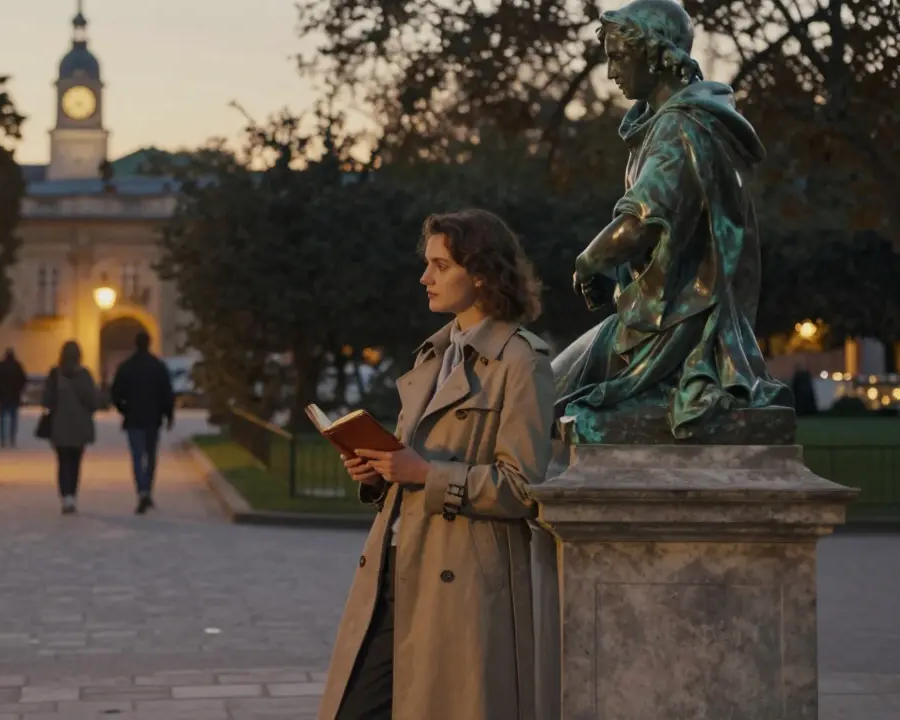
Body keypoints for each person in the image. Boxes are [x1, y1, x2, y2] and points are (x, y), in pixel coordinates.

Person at [317, 209, 555, 720]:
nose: (425, 277)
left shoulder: (522, 363)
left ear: (482, 273)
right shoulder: (431, 356)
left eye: (440, 265)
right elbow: (412, 462)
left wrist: (425, 474)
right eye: (427, 264)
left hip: (460, 585)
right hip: (392, 564)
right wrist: (380, 472)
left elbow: (525, 487)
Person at [553, 0, 790, 441]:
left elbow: (640, 224)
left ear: (658, 57)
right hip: (673, 317)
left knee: (545, 396)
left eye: (619, 57)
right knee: (549, 395)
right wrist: (615, 268)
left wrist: (588, 261)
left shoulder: (679, 127)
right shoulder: (680, 124)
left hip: (680, 327)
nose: (611, 73)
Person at [109, 330, 175, 514]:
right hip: (153, 418)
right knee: (151, 456)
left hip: (134, 418)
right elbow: (167, 393)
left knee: (137, 457)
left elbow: (115, 393)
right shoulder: (158, 366)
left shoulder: (126, 367)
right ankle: (148, 490)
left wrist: (124, 409)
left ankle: (142, 491)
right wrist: (169, 415)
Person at [43, 341, 98, 514]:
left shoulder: (55, 374)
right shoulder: (84, 375)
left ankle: (65, 496)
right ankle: (72, 495)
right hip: (80, 427)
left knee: (63, 461)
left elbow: (46, 400)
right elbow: (93, 401)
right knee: (75, 462)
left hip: (59, 426)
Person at [0, 349, 28, 448]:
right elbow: (23, 379)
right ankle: (12, 439)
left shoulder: (0, 366)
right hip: (14, 396)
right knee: (13, 419)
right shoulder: (17, 366)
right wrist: (19, 390)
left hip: (3, 396)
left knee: (2, 419)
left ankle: (2, 440)